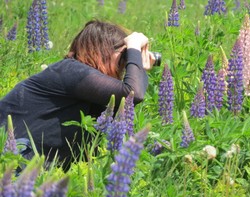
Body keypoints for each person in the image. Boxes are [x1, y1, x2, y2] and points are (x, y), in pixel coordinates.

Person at [0, 20, 155, 171]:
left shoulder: (85, 87)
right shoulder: (71, 71)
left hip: (29, 171)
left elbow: (129, 99)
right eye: (123, 56)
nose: (124, 65)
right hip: (10, 160)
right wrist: (134, 48)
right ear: (103, 50)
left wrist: (139, 66)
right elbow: (133, 93)